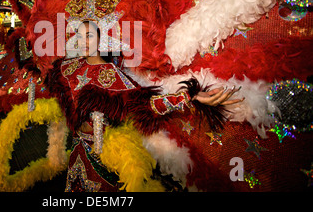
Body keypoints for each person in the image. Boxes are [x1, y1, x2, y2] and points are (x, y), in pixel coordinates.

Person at [49, 21, 242, 192]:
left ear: (101, 39)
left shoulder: (111, 75)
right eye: (79, 36)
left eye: (89, 35)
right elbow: (49, 74)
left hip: (101, 156)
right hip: (77, 149)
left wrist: (191, 96)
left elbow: (147, 103)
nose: (83, 41)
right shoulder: (70, 68)